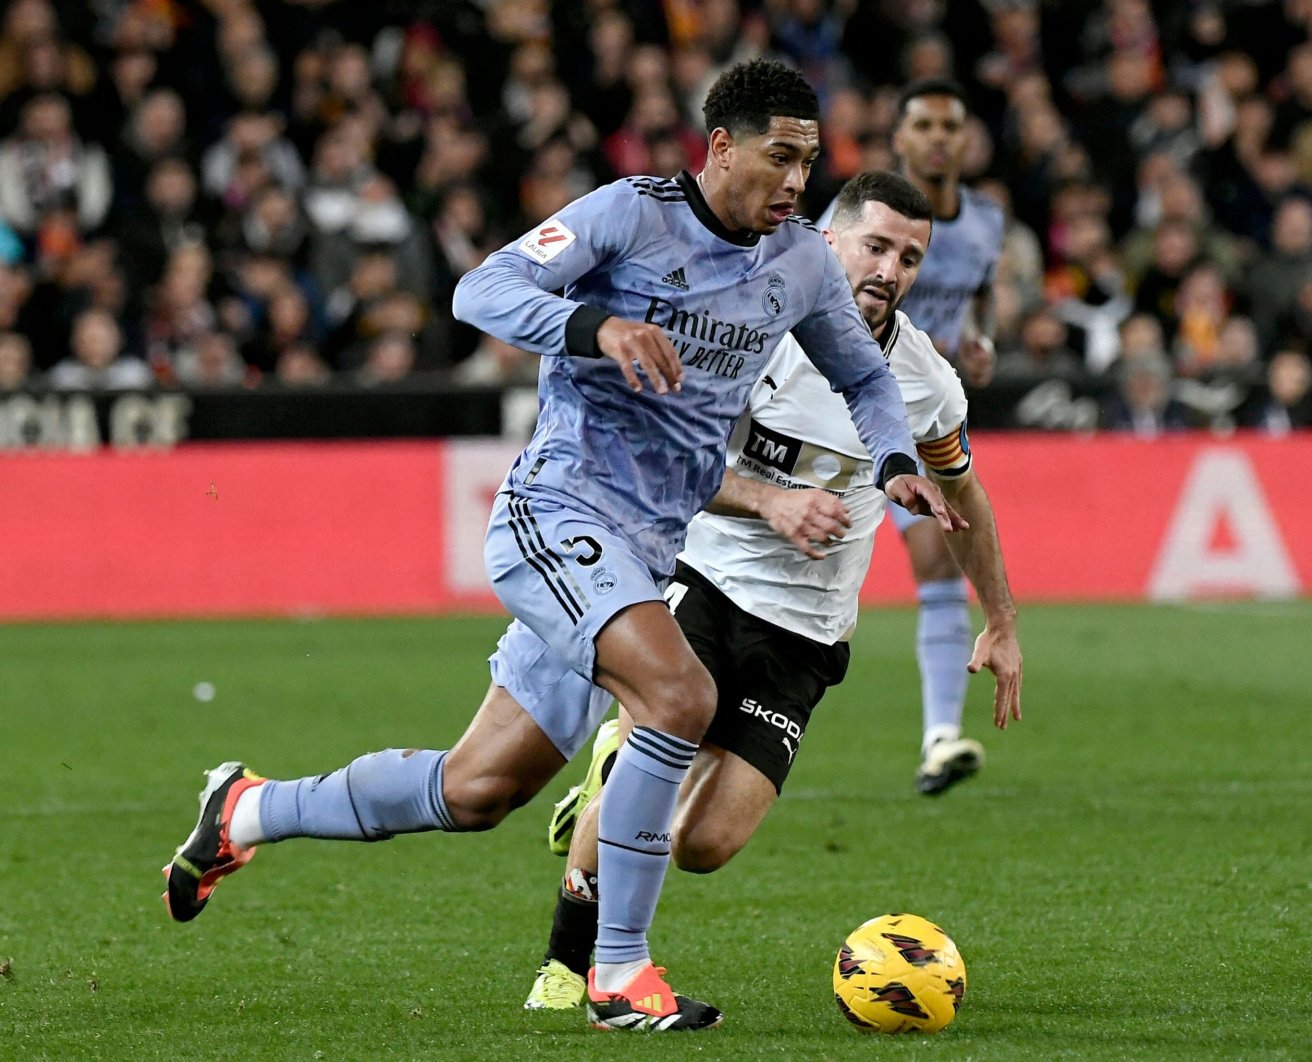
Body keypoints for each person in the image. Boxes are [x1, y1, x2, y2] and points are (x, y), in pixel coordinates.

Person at [159, 59, 961, 1035]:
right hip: (561, 509)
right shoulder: (630, 215)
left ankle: (244, 809)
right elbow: (481, 291)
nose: (796, 183)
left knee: (478, 788)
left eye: (808, 161)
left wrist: (888, 464)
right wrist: (595, 325)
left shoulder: (795, 263)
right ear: (720, 148)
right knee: (678, 695)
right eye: (779, 158)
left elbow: (868, 383)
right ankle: (617, 972)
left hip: (647, 544)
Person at [525, 170, 1023, 1011]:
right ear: (828, 241)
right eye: (875, 245)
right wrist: (769, 501)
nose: (890, 269)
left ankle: (616, 773)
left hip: (808, 632)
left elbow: (963, 492)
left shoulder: (925, 381)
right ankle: (569, 969)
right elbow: (670, 461)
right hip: (706, 581)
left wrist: (1002, 620)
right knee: (645, 765)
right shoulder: (747, 333)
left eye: (910, 257)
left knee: (706, 846)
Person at [819, 79, 1007, 795]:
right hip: (835, 415)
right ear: (898, 138)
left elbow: (982, 294)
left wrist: (980, 339)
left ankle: (940, 737)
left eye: (948, 125)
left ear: (965, 140)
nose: (936, 137)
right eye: (922, 124)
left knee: (937, 553)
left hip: (925, 412)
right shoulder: (861, 216)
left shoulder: (985, 222)